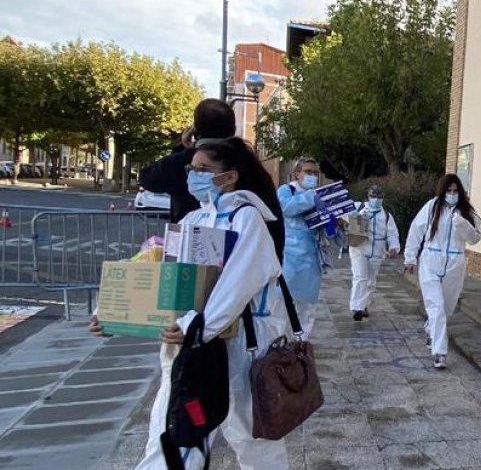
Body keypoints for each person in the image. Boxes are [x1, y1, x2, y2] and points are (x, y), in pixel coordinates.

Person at [92, 137, 290, 469]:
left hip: (239, 347)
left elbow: (236, 285)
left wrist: (196, 327)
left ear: (229, 177)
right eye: (191, 168)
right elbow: (155, 269)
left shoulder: (247, 220)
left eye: (203, 169)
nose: (192, 175)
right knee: (175, 433)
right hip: (191, 350)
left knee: (253, 439)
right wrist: (109, 312)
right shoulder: (193, 221)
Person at [404, 173, 481, 370]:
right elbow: (416, 230)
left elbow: (475, 238)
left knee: (446, 308)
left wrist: (463, 225)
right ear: (442, 191)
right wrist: (410, 258)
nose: (452, 194)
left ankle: (431, 328)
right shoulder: (432, 207)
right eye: (449, 190)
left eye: (456, 191)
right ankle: (439, 352)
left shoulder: (467, 212)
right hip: (431, 260)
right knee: (436, 306)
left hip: (455, 263)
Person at [138, 99, 236, 223]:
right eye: (193, 169)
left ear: (195, 129)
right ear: (233, 130)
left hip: (188, 234)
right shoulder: (247, 162)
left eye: (202, 169)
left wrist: (182, 149)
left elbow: (147, 179)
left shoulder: (179, 161)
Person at [277, 158, 324, 339]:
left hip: (311, 256)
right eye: (308, 171)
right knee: (283, 303)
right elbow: (286, 207)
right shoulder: (286, 190)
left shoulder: (318, 194)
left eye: (315, 172)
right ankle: (282, 342)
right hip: (288, 255)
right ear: (297, 173)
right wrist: (311, 197)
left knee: (308, 305)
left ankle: (300, 343)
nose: (313, 175)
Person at [348, 184, 401, 320]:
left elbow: (392, 233)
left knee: (370, 281)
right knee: (360, 277)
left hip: (377, 250)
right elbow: (342, 213)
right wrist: (350, 218)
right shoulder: (358, 207)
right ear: (368, 196)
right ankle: (357, 308)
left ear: (383, 198)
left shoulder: (386, 216)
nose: (376, 199)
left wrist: (394, 247)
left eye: (379, 196)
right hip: (359, 248)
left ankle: (364, 305)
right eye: (373, 196)